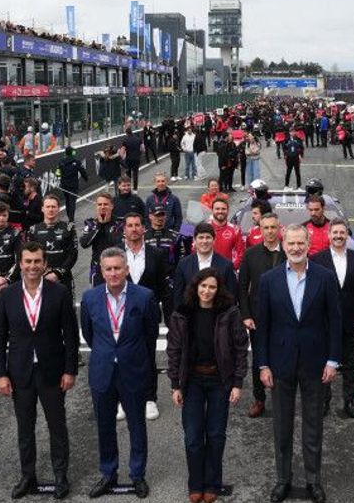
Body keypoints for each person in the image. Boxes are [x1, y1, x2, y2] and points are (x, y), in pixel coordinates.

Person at [253, 225, 342, 503]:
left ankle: (313, 480)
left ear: (309, 242)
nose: (295, 248)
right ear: (284, 243)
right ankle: (283, 479)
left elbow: (335, 322)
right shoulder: (269, 280)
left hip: (316, 363)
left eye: (300, 243)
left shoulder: (325, 278)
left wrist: (332, 360)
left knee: (313, 424)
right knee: (282, 426)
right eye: (290, 243)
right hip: (280, 363)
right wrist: (263, 364)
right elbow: (263, 327)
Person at [0, 242, 79, 499]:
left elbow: (71, 336)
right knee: (25, 429)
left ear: (45, 264)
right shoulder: (7, 295)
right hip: (20, 373)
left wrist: (70, 370)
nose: (32, 266)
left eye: (37, 261)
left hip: (52, 371)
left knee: (57, 427)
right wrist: (0, 374)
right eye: (28, 261)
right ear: (20, 264)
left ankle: (61, 476)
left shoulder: (59, 292)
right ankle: (27, 476)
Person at [80, 248, 160, 499]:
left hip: (133, 370)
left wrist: (136, 360)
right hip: (103, 371)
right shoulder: (90, 298)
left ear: (126, 269)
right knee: (105, 426)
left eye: (118, 268)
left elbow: (150, 335)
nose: (113, 273)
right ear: (101, 272)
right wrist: (108, 353)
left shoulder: (144, 297)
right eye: (108, 269)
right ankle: (108, 473)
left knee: (137, 425)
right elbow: (90, 334)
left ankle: (137, 474)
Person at [167, 268, 249, 503]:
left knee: (215, 435)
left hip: (219, 381)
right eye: (203, 286)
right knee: (193, 436)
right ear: (196, 286)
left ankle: (213, 483)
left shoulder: (229, 312)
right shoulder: (182, 313)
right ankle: (195, 483)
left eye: (212, 287)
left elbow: (240, 348)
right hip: (191, 380)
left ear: (218, 289)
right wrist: (175, 384)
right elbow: (173, 350)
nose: (207, 291)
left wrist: (237, 383)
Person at [310, 219, 354, 418]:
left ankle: (349, 400)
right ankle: (324, 401)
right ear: (329, 235)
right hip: (324, 321)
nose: (338, 236)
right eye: (334, 232)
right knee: (323, 361)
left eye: (342, 233)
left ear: (347, 235)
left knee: (350, 362)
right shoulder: (317, 259)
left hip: (350, 319)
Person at [120, 213, 171, 421]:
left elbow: (164, 288)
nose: (133, 229)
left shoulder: (156, 254)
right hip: (120, 315)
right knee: (122, 357)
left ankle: (150, 398)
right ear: (124, 229)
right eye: (130, 225)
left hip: (148, 315)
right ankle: (123, 399)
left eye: (137, 225)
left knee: (148, 356)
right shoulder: (115, 254)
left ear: (143, 229)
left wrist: (170, 317)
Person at [237, 212, 286, 418]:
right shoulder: (250, 254)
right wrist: (246, 315)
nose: (269, 232)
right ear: (260, 229)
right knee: (259, 359)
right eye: (265, 228)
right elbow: (242, 287)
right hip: (258, 317)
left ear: (279, 228)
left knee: (283, 360)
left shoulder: (289, 253)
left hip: (285, 318)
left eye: (273, 227)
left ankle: (281, 398)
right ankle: (259, 399)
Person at [173, 222, 240, 302]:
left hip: (218, 313)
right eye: (201, 237)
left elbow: (231, 296)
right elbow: (178, 296)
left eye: (208, 237)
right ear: (194, 240)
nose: (204, 241)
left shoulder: (226, 265)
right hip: (190, 312)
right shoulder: (183, 264)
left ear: (214, 240)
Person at [26, 195, 79, 292]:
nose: (50, 209)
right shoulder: (33, 230)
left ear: (58, 209)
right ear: (42, 209)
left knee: (66, 306)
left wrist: (57, 273)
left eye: (53, 207)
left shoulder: (68, 228)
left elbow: (73, 254)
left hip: (63, 277)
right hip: (40, 278)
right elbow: (29, 256)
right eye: (48, 207)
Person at [81, 193, 124, 287]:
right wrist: (99, 226)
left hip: (116, 266)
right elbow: (84, 243)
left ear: (112, 206)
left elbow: (120, 245)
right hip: (98, 268)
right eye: (99, 204)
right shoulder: (90, 223)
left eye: (105, 204)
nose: (102, 207)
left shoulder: (120, 224)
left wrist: (107, 224)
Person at [55, 147, 88, 223]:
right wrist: (86, 179)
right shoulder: (76, 162)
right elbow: (82, 171)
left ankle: (69, 216)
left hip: (64, 185)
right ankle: (71, 219)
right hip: (73, 185)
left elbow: (57, 173)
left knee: (67, 201)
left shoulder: (61, 162)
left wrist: (60, 177)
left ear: (65, 153)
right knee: (72, 201)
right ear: (72, 153)